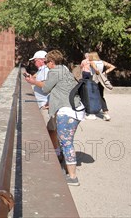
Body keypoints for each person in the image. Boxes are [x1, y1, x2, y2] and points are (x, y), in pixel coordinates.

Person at [42, 49, 85, 186]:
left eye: (46, 62)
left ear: (52, 62)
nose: (45, 65)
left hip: (67, 112)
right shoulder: (65, 69)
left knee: (67, 143)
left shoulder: (54, 72)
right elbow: (62, 90)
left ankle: (72, 177)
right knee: (66, 142)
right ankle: (64, 164)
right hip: (76, 109)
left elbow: (45, 89)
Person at [24, 50, 58, 153]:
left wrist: (33, 81)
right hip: (45, 103)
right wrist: (32, 78)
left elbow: (46, 85)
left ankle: (56, 152)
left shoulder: (45, 69)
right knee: (50, 129)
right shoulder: (43, 70)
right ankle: (54, 150)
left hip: (45, 104)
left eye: (35, 61)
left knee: (51, 130)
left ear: (40, 61)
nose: (34, 63)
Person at [88, 51, 116, 121]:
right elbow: (112, 67)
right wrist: (104, 73)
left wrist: (98, 73)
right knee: (101, 96)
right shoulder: (102, 62)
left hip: (94, 79)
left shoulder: (92, 62)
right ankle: (106, 113)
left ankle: (92, 113)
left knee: (92, 96)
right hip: (101, 80)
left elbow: (96, 70)